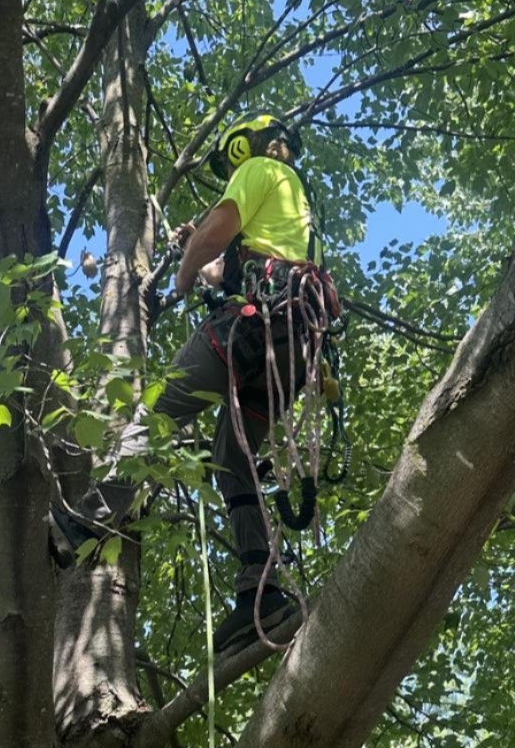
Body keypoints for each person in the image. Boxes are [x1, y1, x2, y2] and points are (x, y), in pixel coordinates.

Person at [53, 112, 328, 654]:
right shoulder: (297, 217)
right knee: (231, 456)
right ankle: (263, 586)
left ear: (246, 147)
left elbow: (216, 233)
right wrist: (197, 257)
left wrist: (177, 278)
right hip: (291, 350)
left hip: (251, 327)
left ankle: (91, 516)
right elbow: (220, 260)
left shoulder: (259, 170)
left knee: (160, 407)